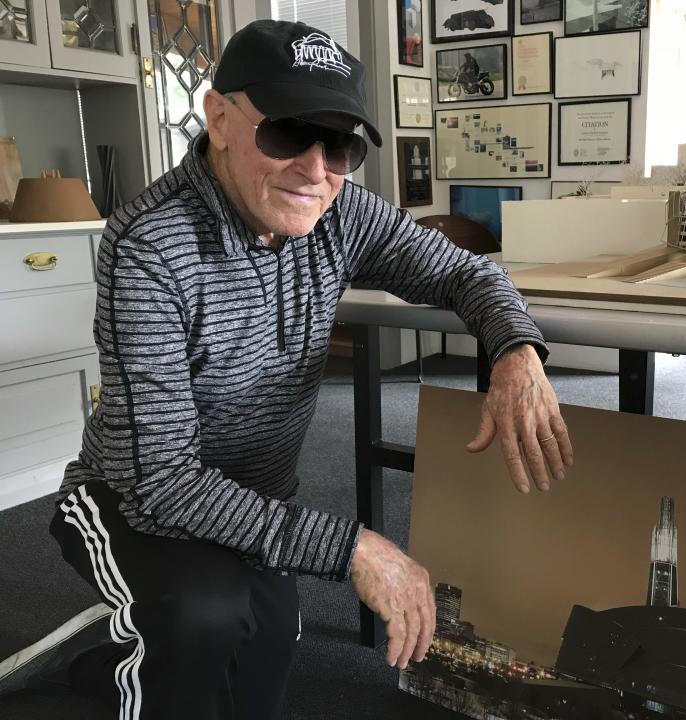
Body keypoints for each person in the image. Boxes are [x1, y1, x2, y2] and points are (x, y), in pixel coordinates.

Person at [0, 19, 573, 720]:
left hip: (253, 500)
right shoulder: (148, 243)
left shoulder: (343, 210)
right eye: (288, 133)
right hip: (128, 499)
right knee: (204, 618)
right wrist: (354, 546)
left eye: (340, 143)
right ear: (219, 118)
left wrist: (515, 351)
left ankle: (103, 667)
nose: (315, 167)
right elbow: (165, 484)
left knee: (265, 645)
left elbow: (465, 275)